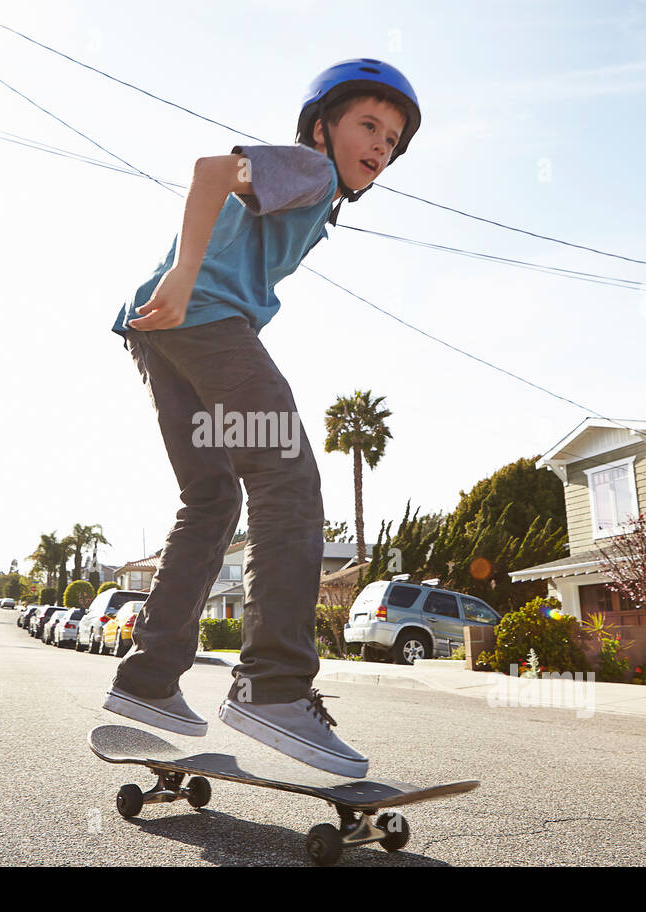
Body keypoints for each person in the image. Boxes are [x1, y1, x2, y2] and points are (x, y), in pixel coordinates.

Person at [102, 59, 422, 778]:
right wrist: (185, 275)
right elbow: (212, 170)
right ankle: (273, 688)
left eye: (393, 139)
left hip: (158, 334)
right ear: (321, 126)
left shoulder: (314, 193)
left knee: (212, 498)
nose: (380, 145)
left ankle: (148, 679)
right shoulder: (308, 169)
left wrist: (181, 286)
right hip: (201, 320)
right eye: (367, 125)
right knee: (289, 481)